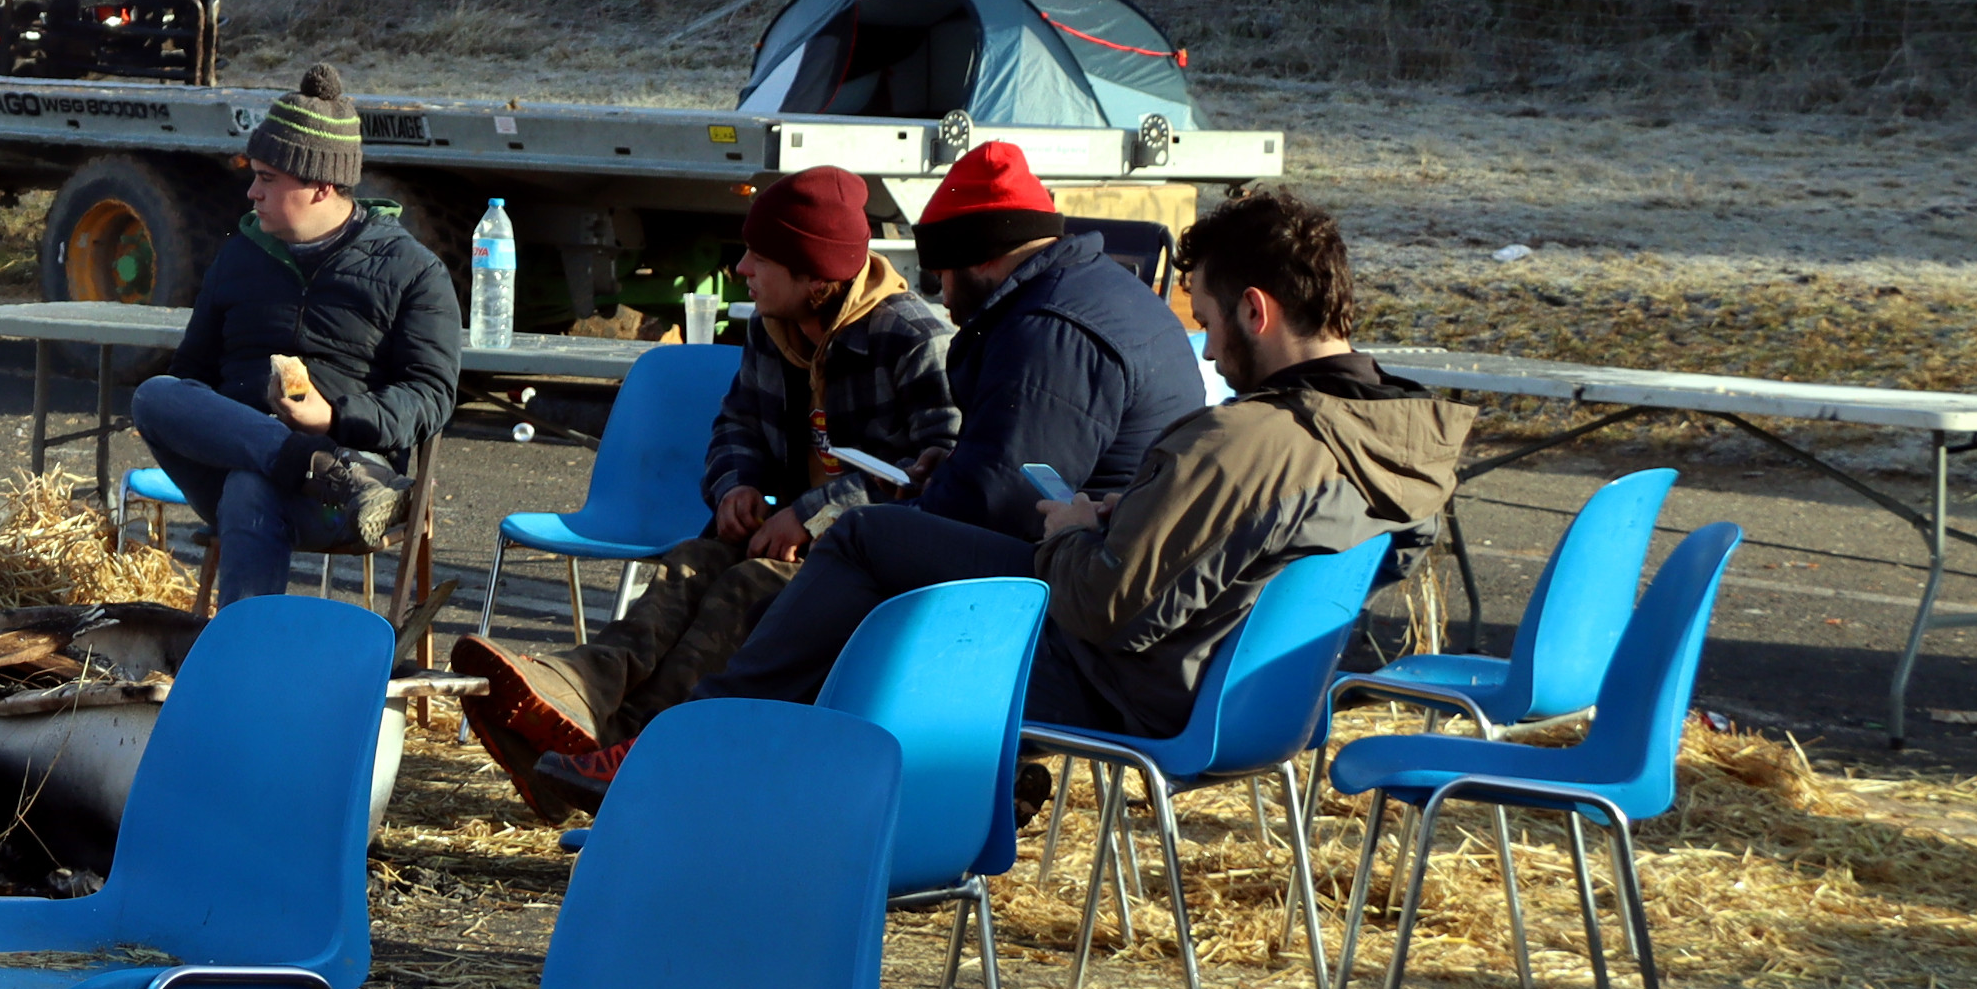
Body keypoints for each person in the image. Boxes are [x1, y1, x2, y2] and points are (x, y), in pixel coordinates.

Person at [691, 187, 1468, 738]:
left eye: (1208, 322)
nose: (1212, 355)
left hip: (1127, 687)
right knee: (880, 565)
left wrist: (1068, 529)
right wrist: (1124, 514)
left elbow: (1101, 606)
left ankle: (710, 732)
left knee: (869, 546)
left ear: (1256, 310)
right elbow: (1267, 556)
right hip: (1244, 692)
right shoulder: (1391, 435)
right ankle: (766, 739)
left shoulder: (1241, 441)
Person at [454, 166, 957, 812]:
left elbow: (936, 473)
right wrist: (736, 485)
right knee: (689, 564)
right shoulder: (773, 327)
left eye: (760, 258)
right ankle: (578, 695)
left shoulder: (914, 340)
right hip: (780, 538)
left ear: (816, 276)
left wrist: (814, 515)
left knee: (743, 589)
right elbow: (736, 425)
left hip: (863, 563)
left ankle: (644, 746)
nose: (742, 269)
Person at [125, 66, 464, 607]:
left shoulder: (411, 269)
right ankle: (311, 466)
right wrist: (233, 428)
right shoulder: (239, 256)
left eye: (267, 178)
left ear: (320, 186)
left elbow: (431, 396)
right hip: (247, 465)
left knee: (250, 487)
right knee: (154, 395)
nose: (251, 191)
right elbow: (191, 373)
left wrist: (331, 419)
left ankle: (244, 650)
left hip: (352, 496)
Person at [900, 141, 1203, 540]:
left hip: (1098, 557)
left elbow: (998, 504)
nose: (945, 298)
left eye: (942, 275)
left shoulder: (1048, 333)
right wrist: (958, 467)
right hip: (1123, 539)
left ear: (982, 256)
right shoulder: (1094, 290)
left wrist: (903, 512)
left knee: (856, 534)